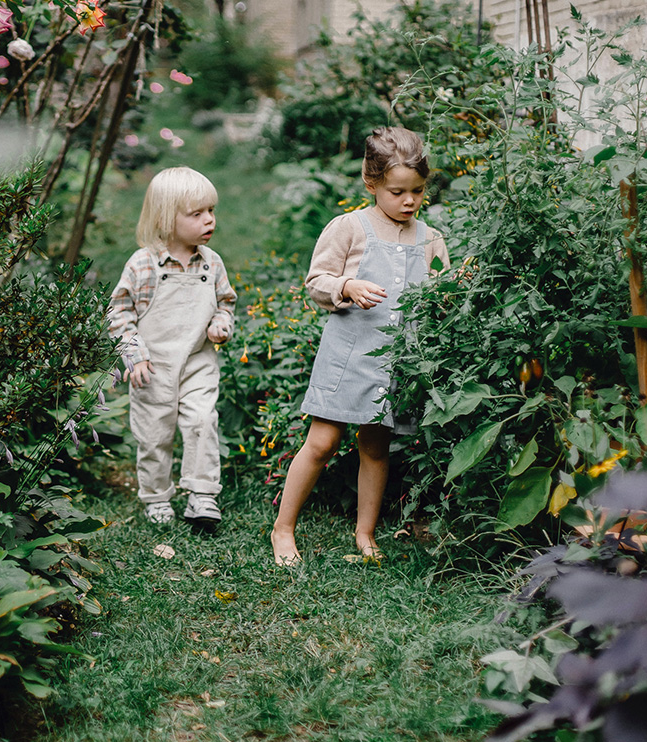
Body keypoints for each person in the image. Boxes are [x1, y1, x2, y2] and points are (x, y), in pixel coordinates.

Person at [271, 127, 450, 565]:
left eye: (418, 191)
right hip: (348, 354)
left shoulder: (430, 238)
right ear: (371, 185)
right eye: (397, 192)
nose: (409, 201)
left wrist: (452, 290)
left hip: (397, 362)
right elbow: (316, 282)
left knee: (375, 446)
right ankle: (283, 529)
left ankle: (365, 533)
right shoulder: (350, 227)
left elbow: (440, 294)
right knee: (322, 443)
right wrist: (347, 285)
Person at [108, 166, 237, 528]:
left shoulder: (211, 264)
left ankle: (202, 494)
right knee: (154, 434)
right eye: (196, 214)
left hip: (198, 359)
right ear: (167, 218)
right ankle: (157, 496)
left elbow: (226, 302)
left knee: (202, 421)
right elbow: (119, 312)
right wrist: (134, 354)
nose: (209, 220)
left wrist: (219, 324)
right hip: (154, 366)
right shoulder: (144, 265)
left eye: (211, 211)